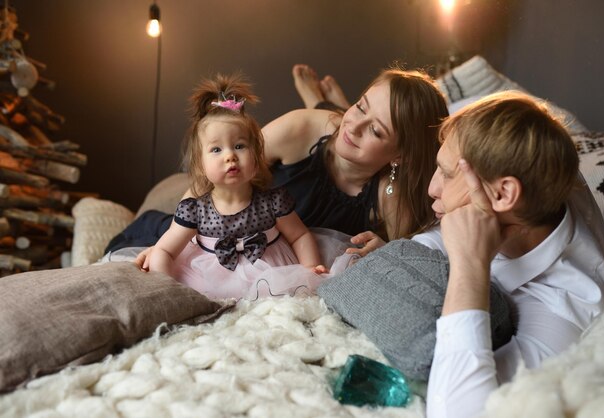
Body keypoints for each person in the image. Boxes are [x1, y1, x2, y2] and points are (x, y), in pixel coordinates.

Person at [120, 65, 449, 265]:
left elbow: (407, 254)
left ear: (400, 156)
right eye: (359, 107)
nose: (354, 127)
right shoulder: (299, 129)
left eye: (376, 130)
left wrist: (385, 249)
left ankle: (327, 98)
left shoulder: (391, 194)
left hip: (276, 262)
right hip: (217, 228)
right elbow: (202, 189)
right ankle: (322, 101)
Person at [409, 91, 604, 417]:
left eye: (445, 174)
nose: (432, 188)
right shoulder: (520, 165)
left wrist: (469, 265)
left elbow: (458, 411)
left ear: (503, 194)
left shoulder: (570, 300)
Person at [145, 73, 328, 300]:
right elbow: (164, 250)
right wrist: (165, 286)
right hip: (209, 279)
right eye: (216, 150)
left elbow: (299, 236)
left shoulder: (273, 202)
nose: (230, 156)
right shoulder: (194, 211)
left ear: (257, 157)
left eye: (240, 146)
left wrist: (310, 269)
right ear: (200, 166)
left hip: (270, 275)